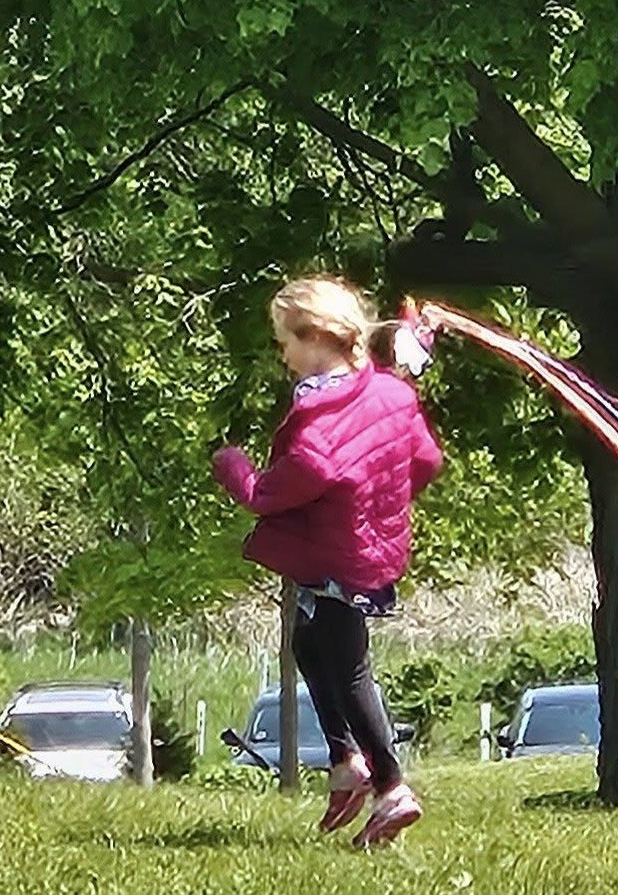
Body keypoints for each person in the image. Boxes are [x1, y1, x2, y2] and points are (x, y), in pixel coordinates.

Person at [212, 275, 442, 848]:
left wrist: (234, 468)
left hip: (341, 557)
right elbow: (426, 460)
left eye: (285, 340)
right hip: (369, 546)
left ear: (315, 337)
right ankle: (346, 761)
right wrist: (380, 498)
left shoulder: (320, 422)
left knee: (349, 664)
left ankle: (390, 785)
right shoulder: (390, 393)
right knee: (310, 646)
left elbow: (277, 491)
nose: (282, 353)